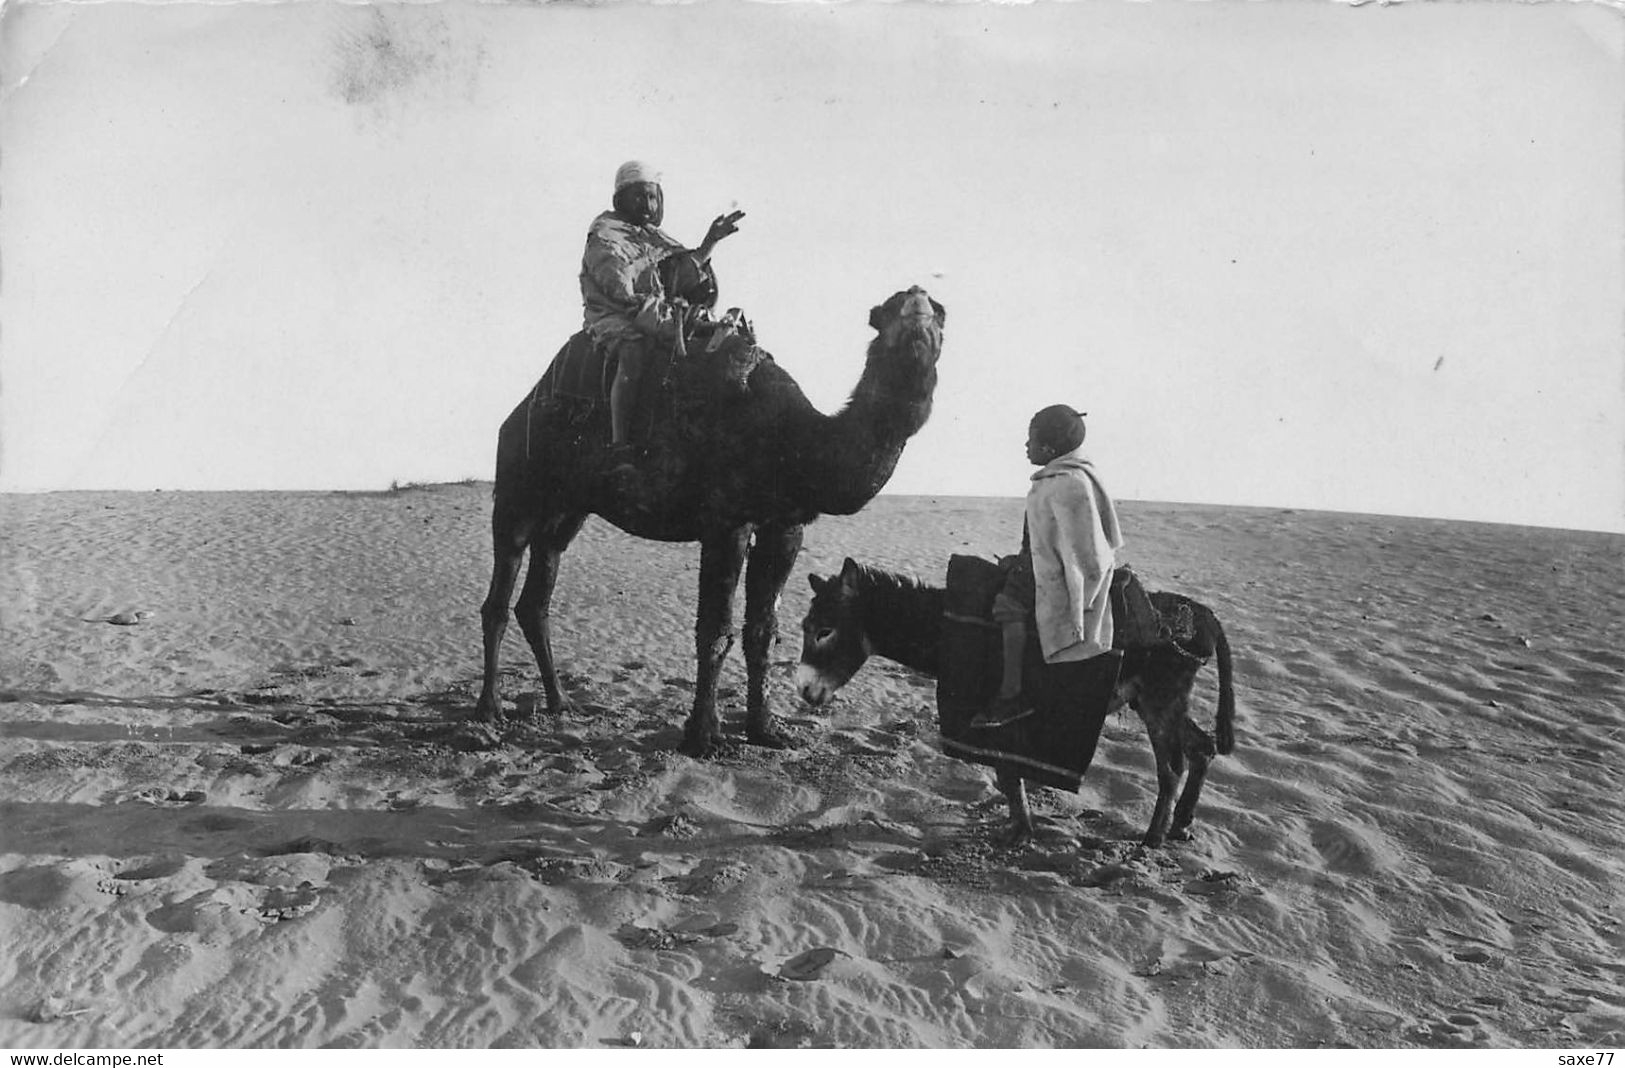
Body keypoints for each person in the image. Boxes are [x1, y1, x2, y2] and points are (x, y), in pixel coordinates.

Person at [970, 404, 1125, 729]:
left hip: (1068, 577)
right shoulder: (1077, 475)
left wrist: (1022, 575)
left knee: (1007, 607)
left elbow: (1073, 552)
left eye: (1032, 441)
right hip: (1055, 567)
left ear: (1050, 449)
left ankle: (1012, 695)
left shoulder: (1062, 484)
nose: (1026, 446)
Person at [579, 160, 745, 460]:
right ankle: (620, 445)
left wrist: (710, 242)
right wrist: (668, 318)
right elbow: (622, 291)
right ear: (621, 198)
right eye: (639, 196)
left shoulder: (654, 236)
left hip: (663, 312)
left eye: (652, 196)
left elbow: (676, 277)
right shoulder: (605, 235)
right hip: (617, 313)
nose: (647, 203)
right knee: (633, 352)